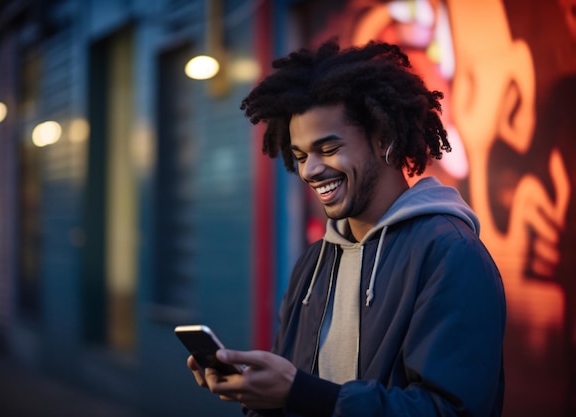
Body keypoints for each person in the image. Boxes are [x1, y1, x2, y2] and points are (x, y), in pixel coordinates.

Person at [186, 40, 506, 417]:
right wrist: (258, 394)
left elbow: (451, 411)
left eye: (328, 148)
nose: (309, 170)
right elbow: (298, 392)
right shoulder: (313, 264)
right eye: (301, 155)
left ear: (384, 138)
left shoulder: (450, 254)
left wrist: (302, 394)